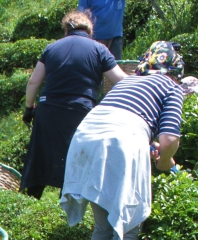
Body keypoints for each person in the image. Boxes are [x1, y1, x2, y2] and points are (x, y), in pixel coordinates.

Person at [61, 41, 185, 240]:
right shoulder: (171, 86)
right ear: (175, 70)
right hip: (120, 140)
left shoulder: (127, 81)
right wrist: (166, 161)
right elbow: (169, 139)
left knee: (104, 224)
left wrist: (148, 148)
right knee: (127, 223)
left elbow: (122, 119)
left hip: (86, 136)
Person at [20, 10, 127, 199]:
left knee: (40, 155)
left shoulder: (51, 48)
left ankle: (31, 197)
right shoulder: (99, 49)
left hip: (48, 109)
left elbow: (33, 82)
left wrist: (29, 109)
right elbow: (120, 80)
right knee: (74, 156)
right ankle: (68, 201)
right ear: (89, 30)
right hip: (80, 111)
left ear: (65, 30)